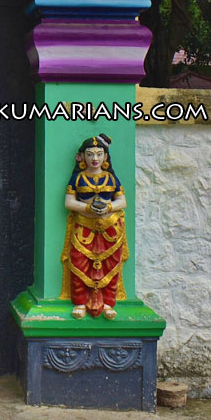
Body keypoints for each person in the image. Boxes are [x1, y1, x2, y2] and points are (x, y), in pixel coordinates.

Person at [62, 133, 128, 320]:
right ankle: (80, 302)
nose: (95, 158)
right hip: (84, 227)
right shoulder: (78, 178)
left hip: (110, 228)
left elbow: (122, 201)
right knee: (79, 263)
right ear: (82, 157)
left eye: (99, 154)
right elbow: (69, 202)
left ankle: (108, 303)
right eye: (90, 154)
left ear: (105, 157)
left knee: (110, 265)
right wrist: (87, 208)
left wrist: (108, 207)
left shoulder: (111, 178)